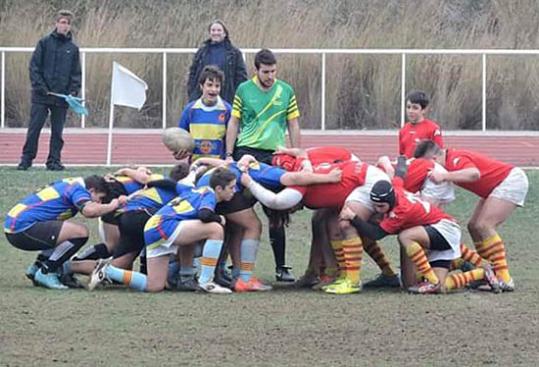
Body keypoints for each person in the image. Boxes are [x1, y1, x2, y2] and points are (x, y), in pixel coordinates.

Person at [88, 167, 238, 294]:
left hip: (152, 228)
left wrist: (151, 183)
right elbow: (204, 215)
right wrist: (220, 218)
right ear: (219, 188)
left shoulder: (193, 189)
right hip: (163, 226)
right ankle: (206, 282)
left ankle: (107, 270)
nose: (234, 191)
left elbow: (170, 184)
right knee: (215, 229)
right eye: (231, 187)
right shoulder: (209, 195)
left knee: (154, 286)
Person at [340, 177, 500, 294]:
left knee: (405, 236)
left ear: (389, 201)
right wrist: (395, 161)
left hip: (445, 228)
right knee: (413, 285)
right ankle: (480, 272)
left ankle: (433, 280)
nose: (376, 209)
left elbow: (376, 234)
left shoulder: (401, 211)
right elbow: (399, 177)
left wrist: (353, 217)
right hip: (434, 232)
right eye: (374, 205)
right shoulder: (395, 190)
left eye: (380, 205)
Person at [226, 48, 301, 281]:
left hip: (274, 156)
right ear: (256, 70)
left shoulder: (285, 90)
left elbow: (293, 124)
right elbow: (234, 122)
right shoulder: (244, 90)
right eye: (266, 71)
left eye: (273, 71)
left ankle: (282, 266)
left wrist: (296, 153)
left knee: (276, 213)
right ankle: (234, 266)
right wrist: (229, 154)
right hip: (246, 154)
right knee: (239, 209)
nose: (270, 76)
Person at [414, 140, 529, 291]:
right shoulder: (449, 162)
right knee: (473, 227)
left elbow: (474, 174)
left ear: (434, 160)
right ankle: (486, 272)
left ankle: (504, 278)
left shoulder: (454, 159)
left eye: (427, 165)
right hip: (496, 186)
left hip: (509, 181)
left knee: (484, 225)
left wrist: (445, 176)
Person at [4, 176, 121, 289]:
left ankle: (37, 267)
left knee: (63, 231)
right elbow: (89, 211)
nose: (100, 203)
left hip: (15, 226)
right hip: (22, 229)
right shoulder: (78, 189)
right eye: (100, 198)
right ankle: (47, 271)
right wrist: (112, 205)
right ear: (92, 190)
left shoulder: (72, 183)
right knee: (80, 232)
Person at [17, 10, 81, 171]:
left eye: (67, 23)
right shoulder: (44, 43)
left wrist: (72, 93)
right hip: (41, 96)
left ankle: (53, 161)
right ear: (56, 23)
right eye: (61, 22)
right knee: (34, 128)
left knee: (57, 132)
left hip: (61, 98)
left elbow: (76, 74)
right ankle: (26, 160)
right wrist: (41, 88)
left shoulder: (73, 49)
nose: (64, 25)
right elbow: (34, 67)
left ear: (70, 26)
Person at [177, 65, 232, 161]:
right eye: (210, 85)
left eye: (217, 86)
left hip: (219, 167)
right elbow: (180, 138)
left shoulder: (227, 110)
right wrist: (179, 152)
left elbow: (233, 138)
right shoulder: (190, 110)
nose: (213, 89)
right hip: (195, 165)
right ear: (201, 86)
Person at [187, 20, 247, 104]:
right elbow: (192, 73)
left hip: (227, 97)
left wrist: (236, 96)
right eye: (213, 30)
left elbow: (241, 77)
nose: (216, 33)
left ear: (225, 33)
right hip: (201, 98)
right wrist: (192, 92)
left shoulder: (234, 53)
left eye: (219, 30)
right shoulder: (201, 52)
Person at [398, 90, 443, 159]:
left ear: (423, 110)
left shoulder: (433, 129)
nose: (410, 111)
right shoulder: (403, 130)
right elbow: (402, 154)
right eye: (408, 107)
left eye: (415, 108)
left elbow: (439, 155)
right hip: (408, 168)